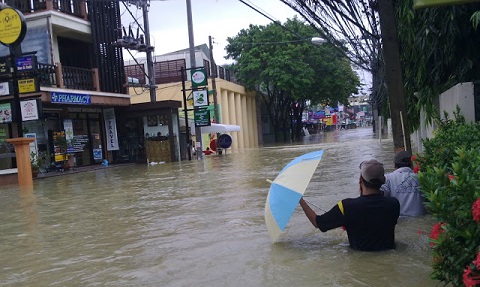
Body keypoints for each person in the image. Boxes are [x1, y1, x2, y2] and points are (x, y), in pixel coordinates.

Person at [299, 159, 400, 251]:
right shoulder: (394, 204)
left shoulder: (347, 207)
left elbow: (317, 223)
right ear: (384, 180)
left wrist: (300, 199)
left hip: (359, 263)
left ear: (360, 180)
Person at [380, 150, 426, 217]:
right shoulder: (421, 178)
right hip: (419, 219)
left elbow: (380, 196)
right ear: (411, 164)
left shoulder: (387, 178)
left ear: (395, 165)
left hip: (399, 220)